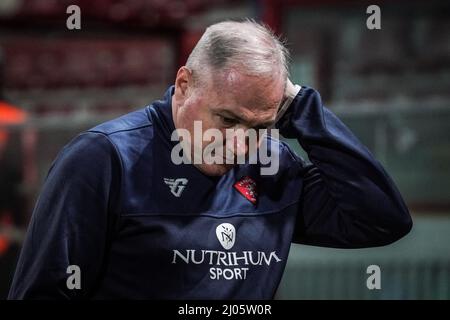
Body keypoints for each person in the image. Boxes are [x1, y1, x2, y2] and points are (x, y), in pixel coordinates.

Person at [8, 20, 412, 299]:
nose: (240, 146)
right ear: (184, 84)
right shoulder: (104, 159)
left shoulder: (275, 167)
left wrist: (306, 111)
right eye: (227, 119)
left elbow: (382, 221)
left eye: (259, 126)